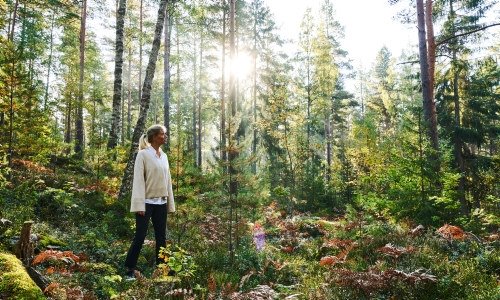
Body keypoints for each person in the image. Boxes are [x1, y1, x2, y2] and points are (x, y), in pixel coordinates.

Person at [124, 124, 175, 280]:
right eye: (162, 134)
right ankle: (129, 270)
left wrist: (169, 203)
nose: (165, 136)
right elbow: (138, 180)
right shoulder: (143, 155)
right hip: (145, 203)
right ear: (153, 136)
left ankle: (163, 269)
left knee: (161, 237)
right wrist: (139, 204)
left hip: (161, 203)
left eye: (165, 134)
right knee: (140, 236)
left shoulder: (164, 156)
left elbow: (168, 181)